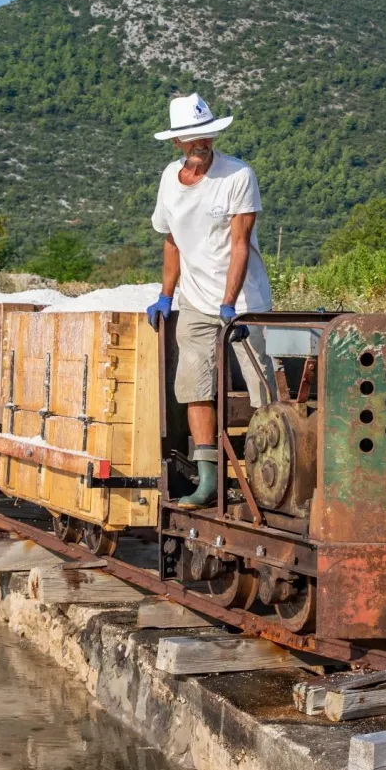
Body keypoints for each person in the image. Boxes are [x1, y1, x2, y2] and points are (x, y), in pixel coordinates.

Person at [147, 92, 275, 509]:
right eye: (192, 137)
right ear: (177, 142)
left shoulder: (238, 175)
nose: (201, 143)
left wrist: (230, 303)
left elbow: (240, 245)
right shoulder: (170, 179)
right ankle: (208, 483)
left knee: (261, 387)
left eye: (206, 135)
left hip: (244, 304)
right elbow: (172, 240)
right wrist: (165, 295)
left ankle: (272, 474)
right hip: (196, 302)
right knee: (195, 387)